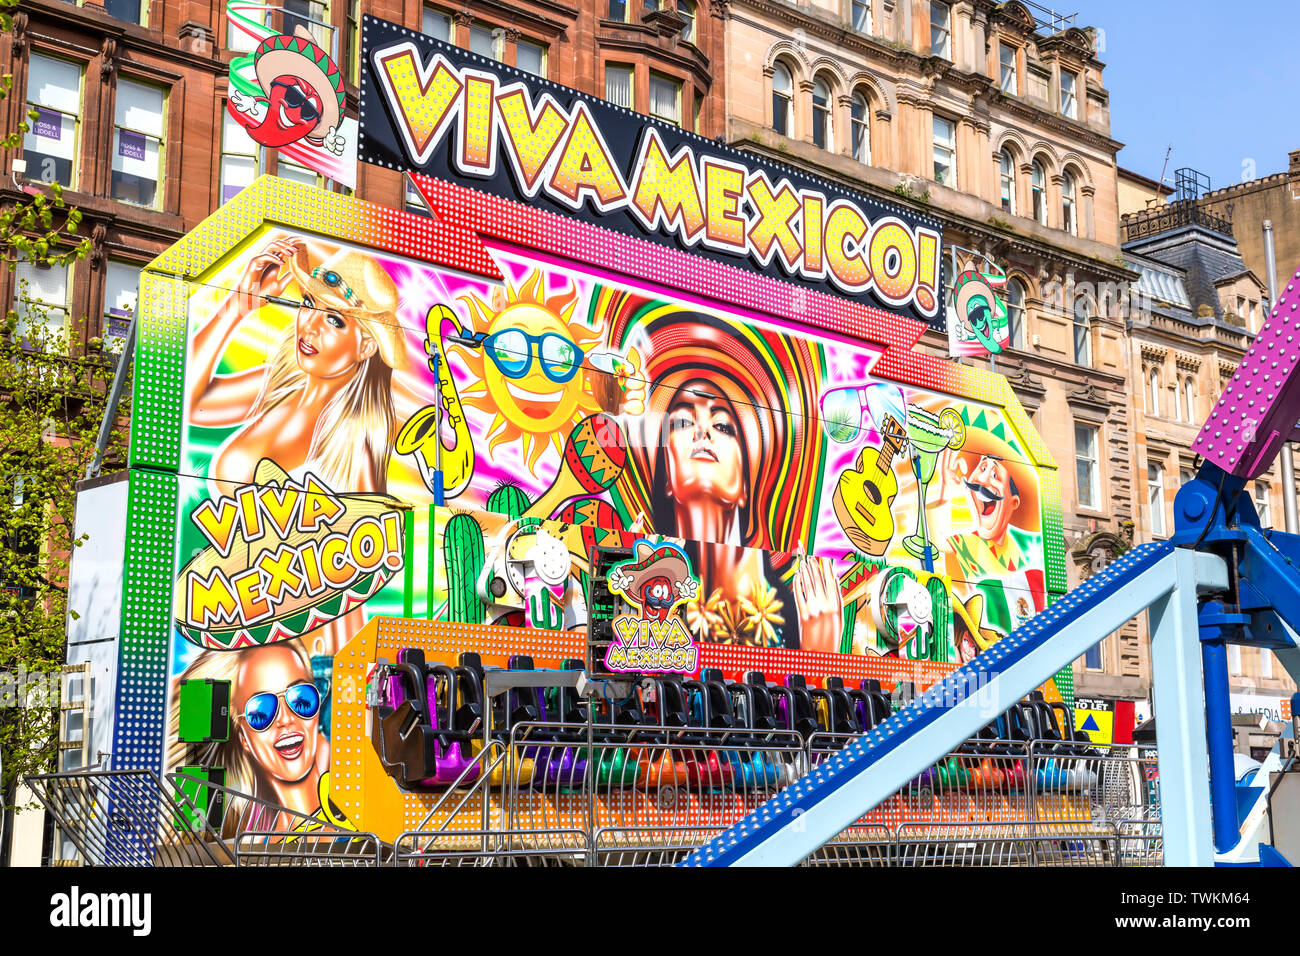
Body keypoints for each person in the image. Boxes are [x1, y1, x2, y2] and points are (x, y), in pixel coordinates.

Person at [611, 308, 841, 651]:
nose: (703, 431)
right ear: (668, 474)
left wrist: (821, 654)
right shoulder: (652, 594)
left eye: (722, 425)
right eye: (683, 422)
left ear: (748, 481)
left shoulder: (807, 607)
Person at [188, 236, 409, 494]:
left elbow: (380, 526)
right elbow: (183, 403)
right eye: (308, 303)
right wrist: (238, 305)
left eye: (333, 320)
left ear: (366, 347)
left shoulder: (357, 441)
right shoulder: (275, 385)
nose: (310, 326)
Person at [167, 641, 331, 834]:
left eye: (301, 699)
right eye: (261, 712)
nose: (286, 719)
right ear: (243, 737)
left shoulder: (349, 802)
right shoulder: (249, 841)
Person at [929, 424, 1045, 636]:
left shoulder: (1032, 546)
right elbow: (935, 538)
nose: (982, 481)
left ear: (1014, 501)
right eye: (982, 469)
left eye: (994, 475)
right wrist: (945, 493)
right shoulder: (970, 544)